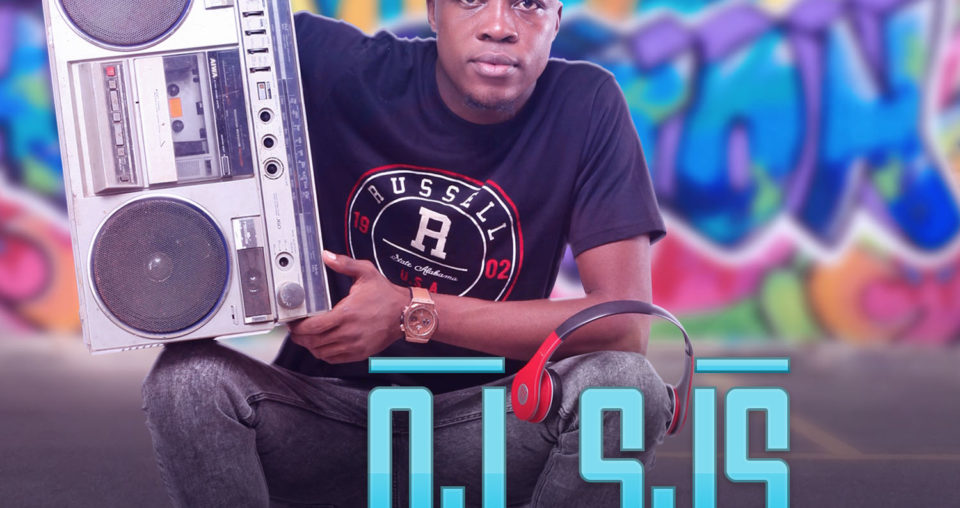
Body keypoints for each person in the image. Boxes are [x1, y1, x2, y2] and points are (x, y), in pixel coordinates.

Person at [142, 0, 673, 506]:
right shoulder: (335, 66)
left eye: (529, 4)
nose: (499, 25)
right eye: (471, 1)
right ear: (433, 11)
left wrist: (410, 311)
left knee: (625, 389)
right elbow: (164, 45)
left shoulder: (584, 103)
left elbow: (624, 325)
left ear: (556, 20)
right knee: (187, 383)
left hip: (488, 426)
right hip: (321, 414)